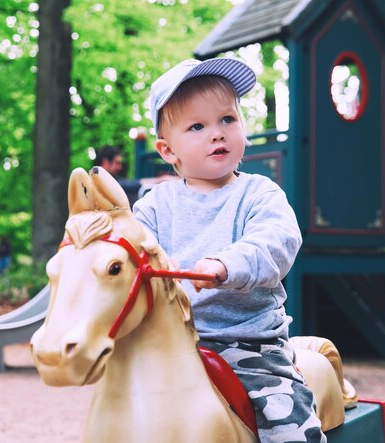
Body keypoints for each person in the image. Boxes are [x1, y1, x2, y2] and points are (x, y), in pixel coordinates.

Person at [133, 58, 325, 442]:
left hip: (249, 341)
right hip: (175, 339)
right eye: (197, 126)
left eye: (227, 120)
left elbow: (278, 240)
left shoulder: (259, 193)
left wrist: (226, 264)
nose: (216, 134)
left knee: (285, 416)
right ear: (168, 150)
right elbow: (135, 252)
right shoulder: (153, 206)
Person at [93, 145, 176, 206]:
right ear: (105, 162)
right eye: (117, 163)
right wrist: (162, 179)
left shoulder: (112, 179)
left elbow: (128, 183)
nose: (120, 167)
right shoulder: (94, 183)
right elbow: (127, 184)